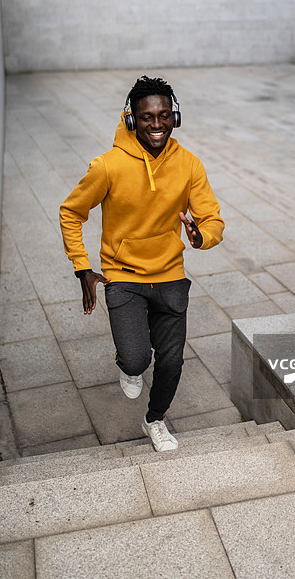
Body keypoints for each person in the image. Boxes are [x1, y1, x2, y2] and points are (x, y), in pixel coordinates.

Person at [59, 76, 224, 452]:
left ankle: (155, 419)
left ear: (175, 118)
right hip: (124, 276)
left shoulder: (189, 164)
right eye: (147, 117)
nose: (157, 125)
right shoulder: (108, 166)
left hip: (169, 276)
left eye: (165, 116)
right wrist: (82, 267)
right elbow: (71, 212)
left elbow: (212, 219)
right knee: (136, 360)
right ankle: (128, 363)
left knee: (171, 363)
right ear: (131, 119)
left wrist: (200, 236)